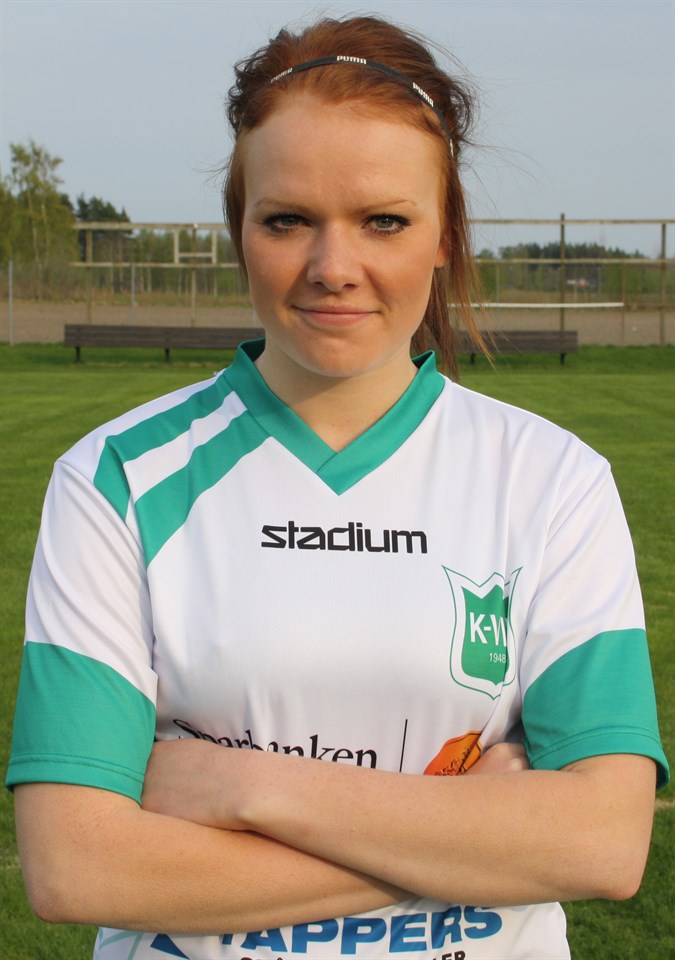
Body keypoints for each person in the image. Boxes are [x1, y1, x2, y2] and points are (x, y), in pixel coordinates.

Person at [7, 14, 668, 960]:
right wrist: (471, 832)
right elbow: (77, 867)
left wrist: (247, 790)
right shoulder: (115, 478)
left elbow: (601, 843)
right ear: (238, 231)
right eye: (287, 220)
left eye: (383, 221)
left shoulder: (552, 481)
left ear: (444, 237)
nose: (333, 268)